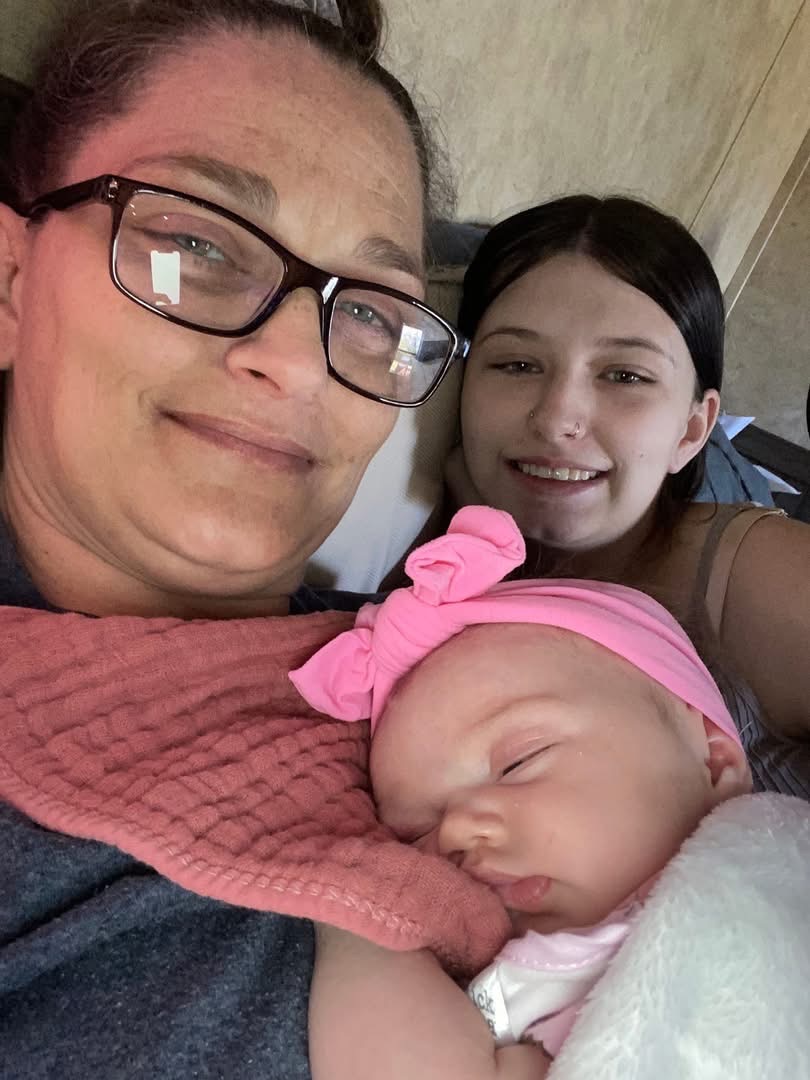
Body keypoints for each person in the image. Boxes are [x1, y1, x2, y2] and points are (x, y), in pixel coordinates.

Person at [0, 1, 474, 1076]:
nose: (298, 364)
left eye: (372, 312)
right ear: (12, 280)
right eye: (197, 243)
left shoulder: (452, 669)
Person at [290, 505, 753, 1077]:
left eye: (518, 762)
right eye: (411, 834)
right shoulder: (538, 999)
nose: (455, 832)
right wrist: (353, 905)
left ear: (713, 758)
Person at [440, 195, 809, 791]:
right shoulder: (444, 545)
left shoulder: (756, 580)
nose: (557, 420)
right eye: (517, 365)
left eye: (625, 376)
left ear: (691, 431)